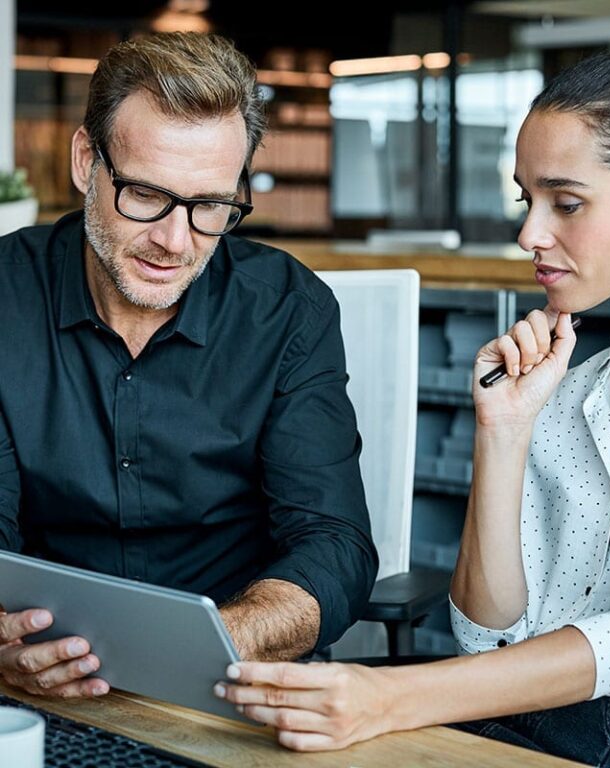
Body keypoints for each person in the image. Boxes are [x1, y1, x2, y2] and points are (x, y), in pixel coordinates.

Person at [216, 51, 610, 766]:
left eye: (565, 203)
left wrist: (389, 699)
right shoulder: (571, 388)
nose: (529, 235)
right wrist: (501, 433)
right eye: (526, 201)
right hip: (539, 714)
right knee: (267, 736)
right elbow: (487, 637)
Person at [0, 32, 377, 699]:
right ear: (87, 161)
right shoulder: (5, 298)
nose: (175, 242)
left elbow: (333, 547)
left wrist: (213, 644)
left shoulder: (288, 310)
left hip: (235, 683)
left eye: (210, 207)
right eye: (146, 195)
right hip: (38, 690)